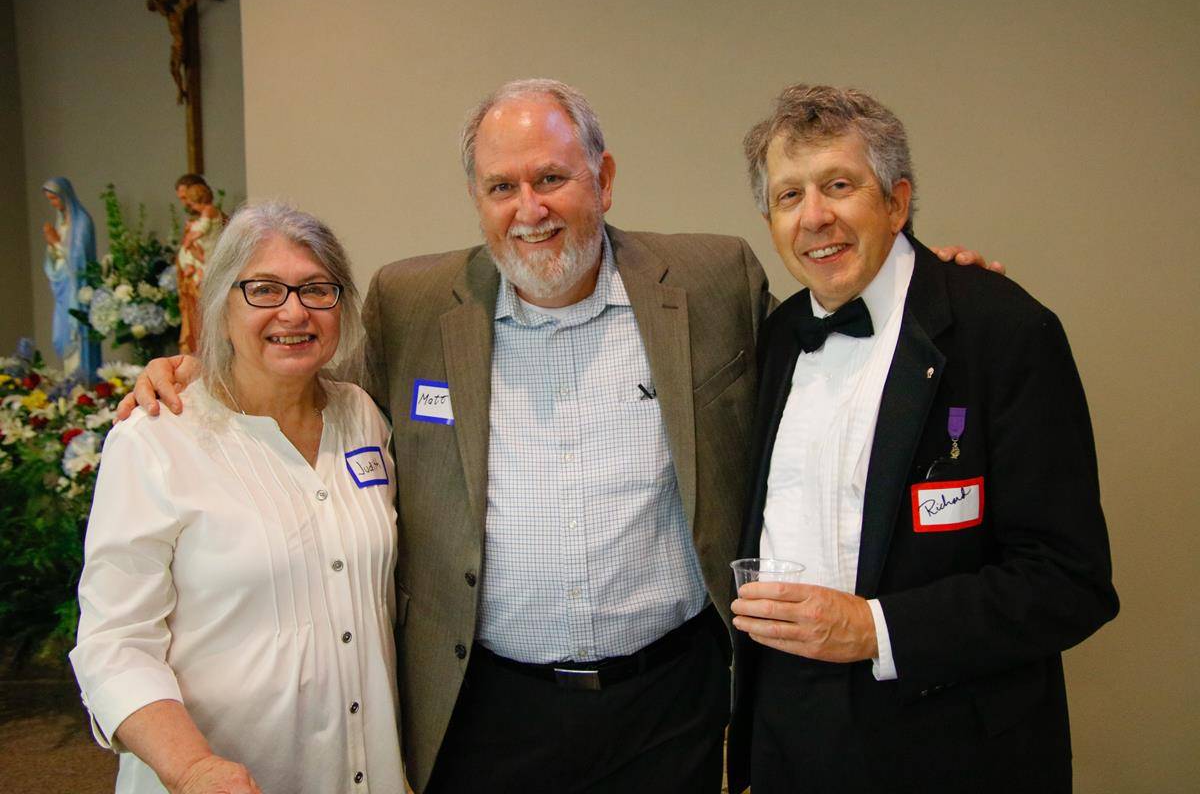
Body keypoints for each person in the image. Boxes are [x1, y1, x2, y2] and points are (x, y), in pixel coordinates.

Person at [123, 79, 994, 793]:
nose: (528, 209)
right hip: (486, 705)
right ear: (477, 199)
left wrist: (917, 279)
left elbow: (825, 352)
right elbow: (300, 357)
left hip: (669, 703)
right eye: (502, 187)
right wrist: (196, 367)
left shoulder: (713, 277)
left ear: (603, 180)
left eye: (553, 179)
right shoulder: (411, 303)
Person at [727, 84, 1119, 794]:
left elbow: (1070, 581)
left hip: (948, 747)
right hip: (790, 738)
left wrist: (876, 630)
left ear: (897, 202)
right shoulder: (778, 338)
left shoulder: (1003, 331)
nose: (814, 217)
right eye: (789, 196)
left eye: (838, 185)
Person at [70, 202, 405, 793]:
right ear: (221, 305)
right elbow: (114, 645)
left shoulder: (363, 416)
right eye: (263, 290)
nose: (293, 311)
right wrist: (193, 768)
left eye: (316, 290)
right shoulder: (157, 438)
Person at [41, 176, 101, 380]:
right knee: (63, 335)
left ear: (65, 196)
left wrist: (56, 243)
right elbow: (56, 260)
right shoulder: (61, 223)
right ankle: (71, 385)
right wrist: (52, 246)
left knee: (79, 337)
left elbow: (79, 259)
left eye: (55, 199)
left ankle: (83, 382)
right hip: (63, 290)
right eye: (50, 200)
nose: (53, 204)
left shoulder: (82, 222)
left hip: (77, 290)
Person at [176, 181, 225, 354]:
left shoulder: (209, 210)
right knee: (185, 253)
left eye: (191, 202)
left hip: (208, 255)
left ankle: (192, 267)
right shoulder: (202, 214)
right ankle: (190, 266)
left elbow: (203, 229)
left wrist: (190, 236)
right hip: (201, 254)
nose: (189, 206)